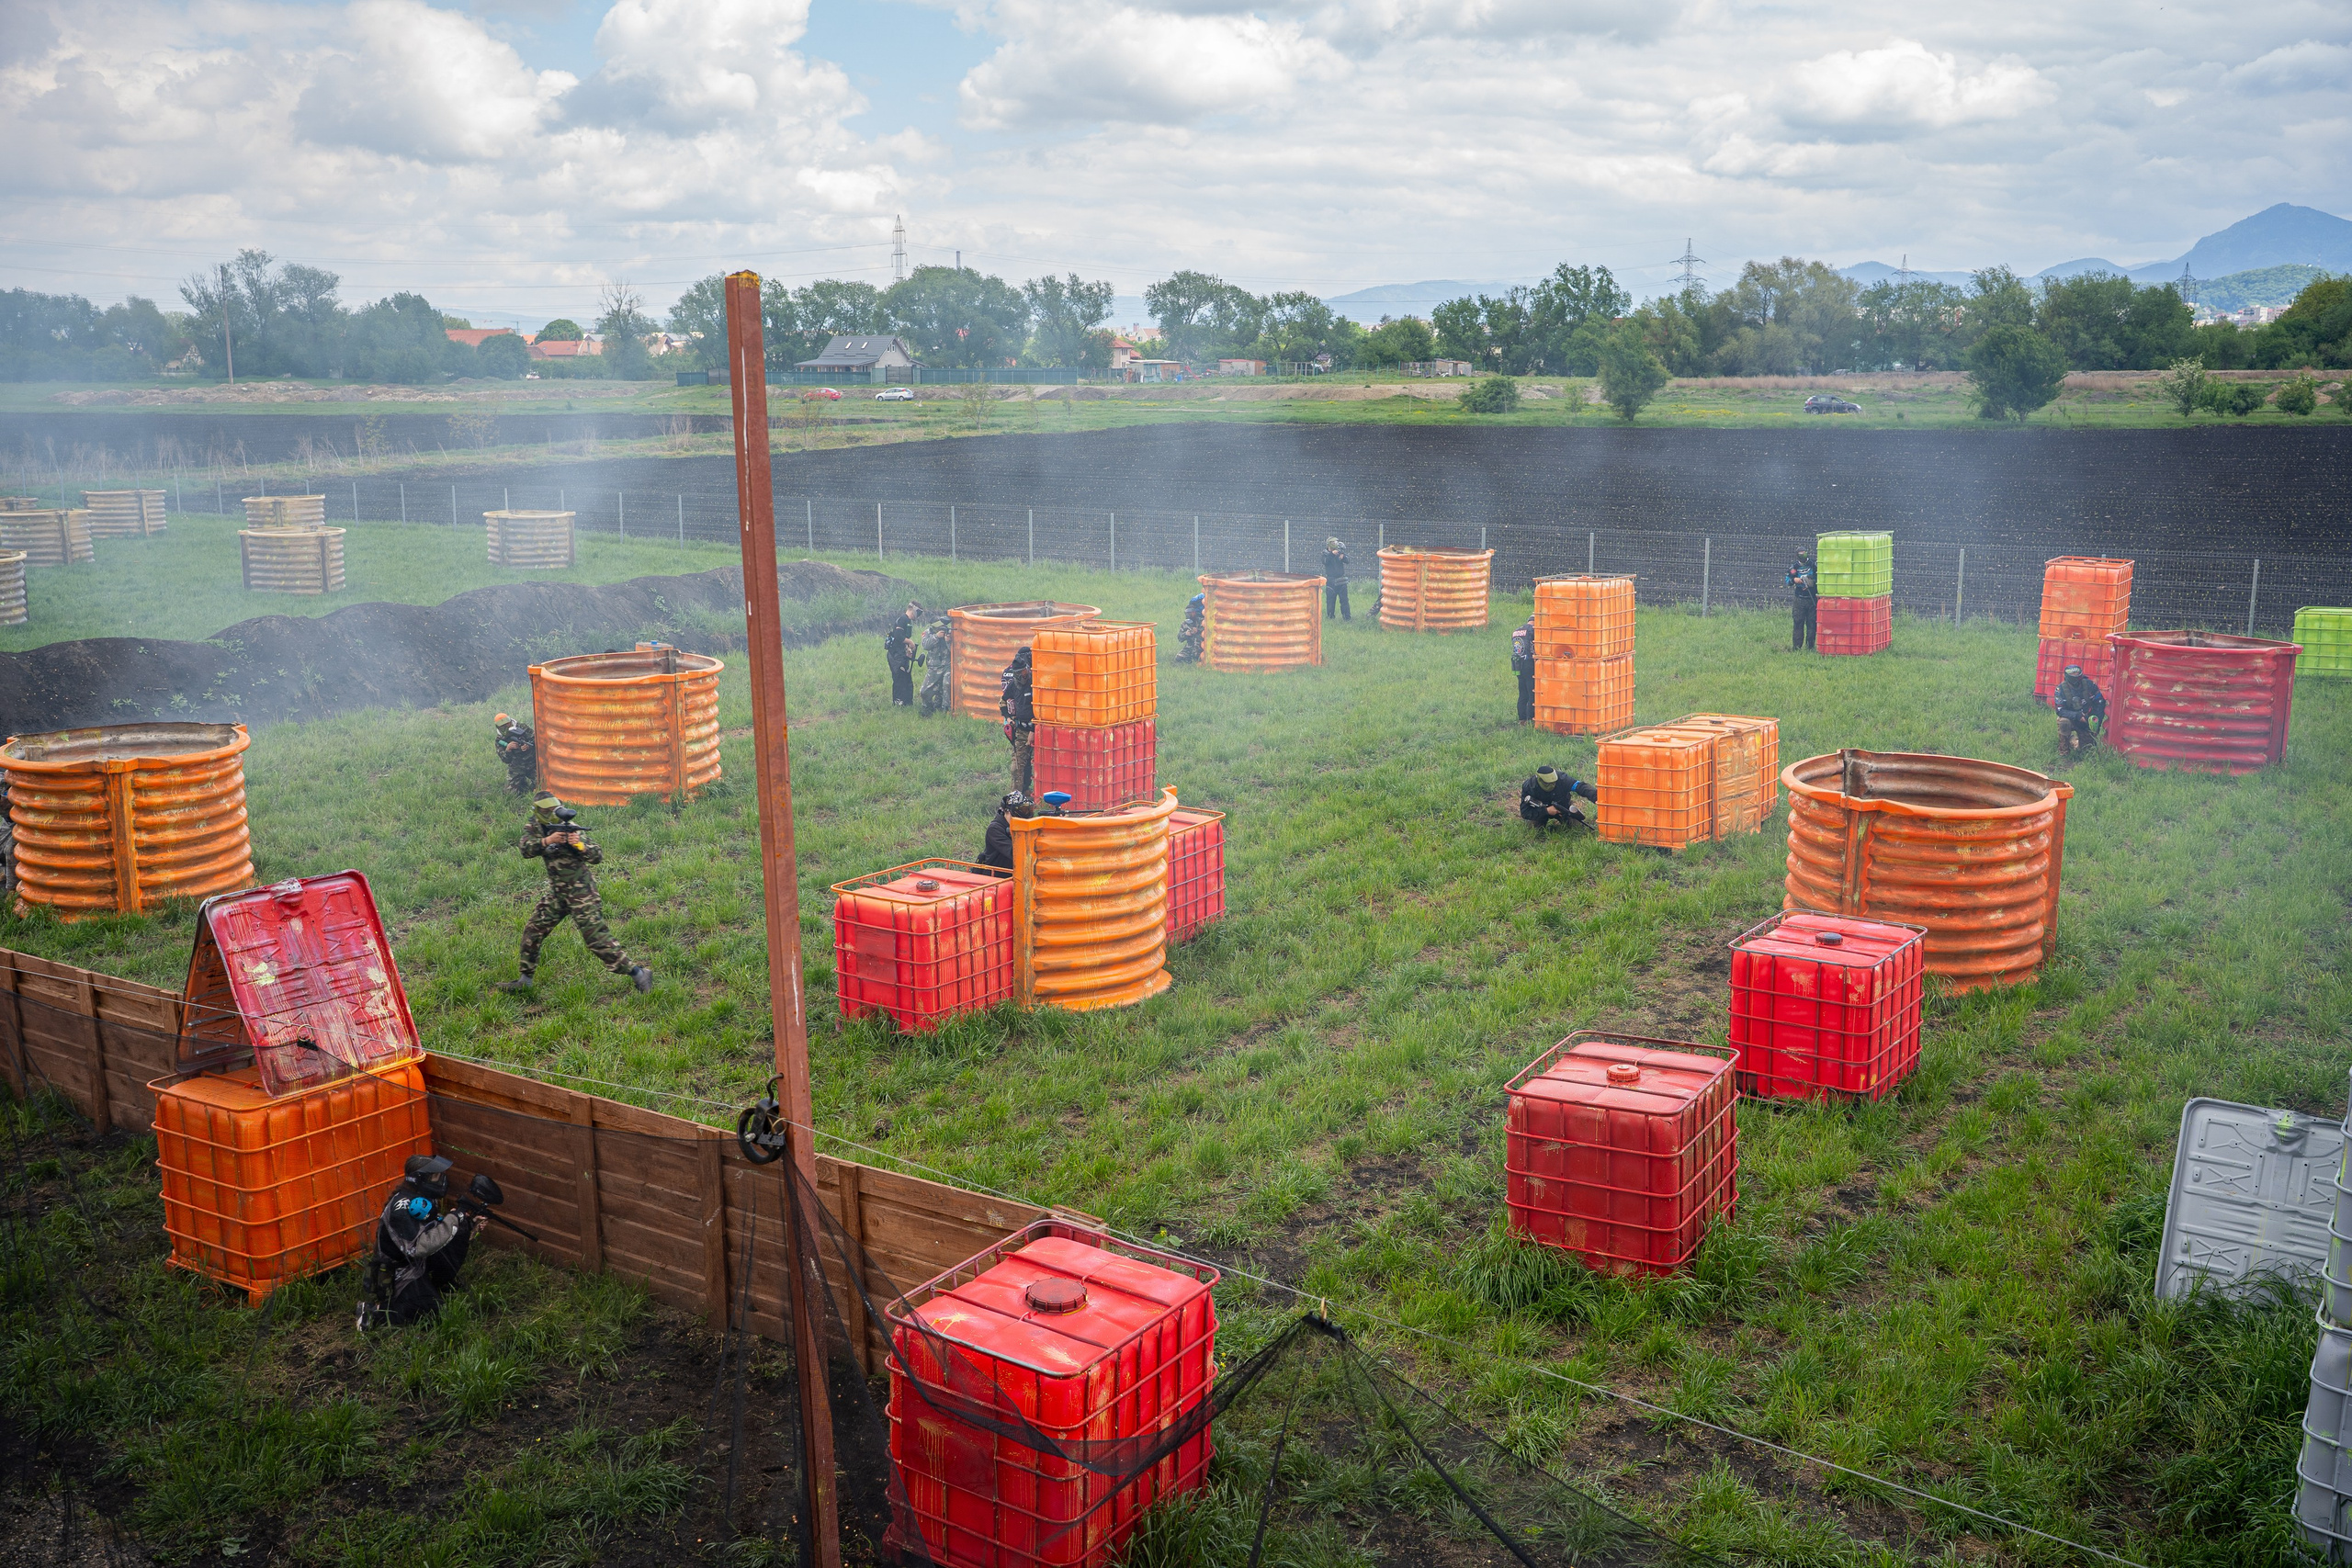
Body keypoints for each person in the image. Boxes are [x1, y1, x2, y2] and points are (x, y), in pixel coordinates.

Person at [499, 793, 652, 994]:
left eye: (552, 810)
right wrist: (547, 841)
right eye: (545, 811)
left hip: (581, 893)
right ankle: (524, 981)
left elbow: (597, 855)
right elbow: (525, 849)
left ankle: (640, 975)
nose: (550, 814)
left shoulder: (571, 828)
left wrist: (579, 845)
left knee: (597, 940)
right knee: (533, 930)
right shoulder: (535, 826)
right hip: (558, 893)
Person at [363, 1155, 481, 1327]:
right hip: (398, 1274)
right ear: (420, 1179)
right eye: (436, 1176)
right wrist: (453, 1219)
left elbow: (434, 1228)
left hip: (417, 1264)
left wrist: (468, 1224)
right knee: (433, 1313)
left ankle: (439, 1283)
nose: (441, 1180)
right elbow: (420, 1247)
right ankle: (374, 1314)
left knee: (459, 1230)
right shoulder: (401, 1208)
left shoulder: (422, 1198)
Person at [1001, 646, 1035, 794]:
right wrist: (1008, 718)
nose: (1024, 675)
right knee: (1016, 769)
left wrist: (1034, 731)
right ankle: (1017, 798)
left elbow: (1043, 710)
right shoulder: (1013, 685)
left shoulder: (1035, 682)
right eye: (1021, 673)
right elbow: (1002, 702)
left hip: (1038, 731)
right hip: (1021, 731)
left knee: (1039, 767)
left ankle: (1038, 798)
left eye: (1025, 671)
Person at [2053, 663, 2108, 754]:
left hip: (2087, 720)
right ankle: (2064, 750)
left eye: (2076, 675)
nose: (2076, 680)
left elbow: (2100, 703)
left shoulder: (2090, 685)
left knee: (2087, 750)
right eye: (2073, 676)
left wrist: (2095, 720)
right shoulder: (2061, 689)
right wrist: (2077, 716)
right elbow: (2060, 710)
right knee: (2063, 722)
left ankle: (2074, 741)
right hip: (2071, 719)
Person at [1520, 764, 1598, 828]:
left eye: (1554, 782)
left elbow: (1580, 787)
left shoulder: (1562, 779)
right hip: (1539, 811)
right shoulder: (1529, 787)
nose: (1552, 785)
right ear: (1540, 780)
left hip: (1563, 809)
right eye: (1548, 783)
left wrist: (1598, 797)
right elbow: (1525, 812)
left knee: (1577, 827)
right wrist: (1546, 811)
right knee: (1533, 828)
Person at [976, 790, 1029, 873]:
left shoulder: (1023, 824)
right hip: (996, 878)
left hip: (1015, 875)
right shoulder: (994, 829)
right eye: (1018, 811)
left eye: (1025, 810)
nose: (1022, 816)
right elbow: (1015, 853)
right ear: (1006, 811)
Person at [885, 601, 922, 706]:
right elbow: (898, 636)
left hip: (901, 653)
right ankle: (898, 701)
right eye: (918, 612)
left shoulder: (907, 621)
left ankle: (907, 702)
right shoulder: (903, 619)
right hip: (895, 655)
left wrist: (907, 648)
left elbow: (902, 639)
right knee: (899, 678)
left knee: (906, 677)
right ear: (913, 610)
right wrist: (910, 643)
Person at [492, 712, 537, 795]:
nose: (507, 727)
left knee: (543, 784)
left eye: (508, 724)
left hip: (532, 763)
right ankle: (522, 783)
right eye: (503, 726)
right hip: (517, 766)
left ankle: (530, 787)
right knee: (510, 793)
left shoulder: (522, 727)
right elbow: (505, 760)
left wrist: (528, 746)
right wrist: (508, 749)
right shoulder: (500, 740)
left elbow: (536, 738)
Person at [916, 617, 953, 716]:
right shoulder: (927, 633)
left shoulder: (948, 633)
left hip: (947, 665)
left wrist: (948, 641)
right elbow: (925, 646)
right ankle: (928, 708)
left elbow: (955, 652)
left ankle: (946, 709)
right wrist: (936, 636)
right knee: (924, 691)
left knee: (947, 684)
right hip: (934, 667)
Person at [1786, 552, 1818, 652]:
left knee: (1812, 624)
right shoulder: (1794, 568)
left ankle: (1810, 647)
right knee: (1798, 623)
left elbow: (1820, 578)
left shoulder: (1813, 565)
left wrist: (1812, 582)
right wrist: (1794, 580)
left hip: (1812, 598)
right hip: (1799, 599)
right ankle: (1796, 648)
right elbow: (1787, 580)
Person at [1510, 615, 1537, 723]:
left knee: (1522, 693)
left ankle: (1522, 719)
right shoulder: (1533, 631)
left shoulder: (1516, 631)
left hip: (1517, 665)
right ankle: (1531, 719)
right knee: (1532, 693)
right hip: (1529, 664)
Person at [1321, 537, 1351, 621]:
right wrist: (1332, 554)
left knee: (1344, 601)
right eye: (1334, 542)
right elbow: (1325, 561)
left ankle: (1347, 618)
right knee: (1330, 601)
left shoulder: (1339, 552)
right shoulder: (1325, 554)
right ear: (1330, 544)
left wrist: (1343, 557)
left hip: (1341, 580)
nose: (1335, 544)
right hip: (1331, 581)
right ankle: (1330, 618)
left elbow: (1348, 561)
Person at [1176, 594, 1205, 664]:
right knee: (1179, 658)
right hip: (1190, 647)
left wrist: (1198, 630)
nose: (1189, 614)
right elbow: (1180, 638)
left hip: (1201, 647)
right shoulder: (1185, 624)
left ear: (1194, 612)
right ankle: (1189, 661)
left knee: (1200, 658)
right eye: (1188, 613)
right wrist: (1187, 634)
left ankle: (1195, 659)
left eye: (1191, 613)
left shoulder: (1202, 621)